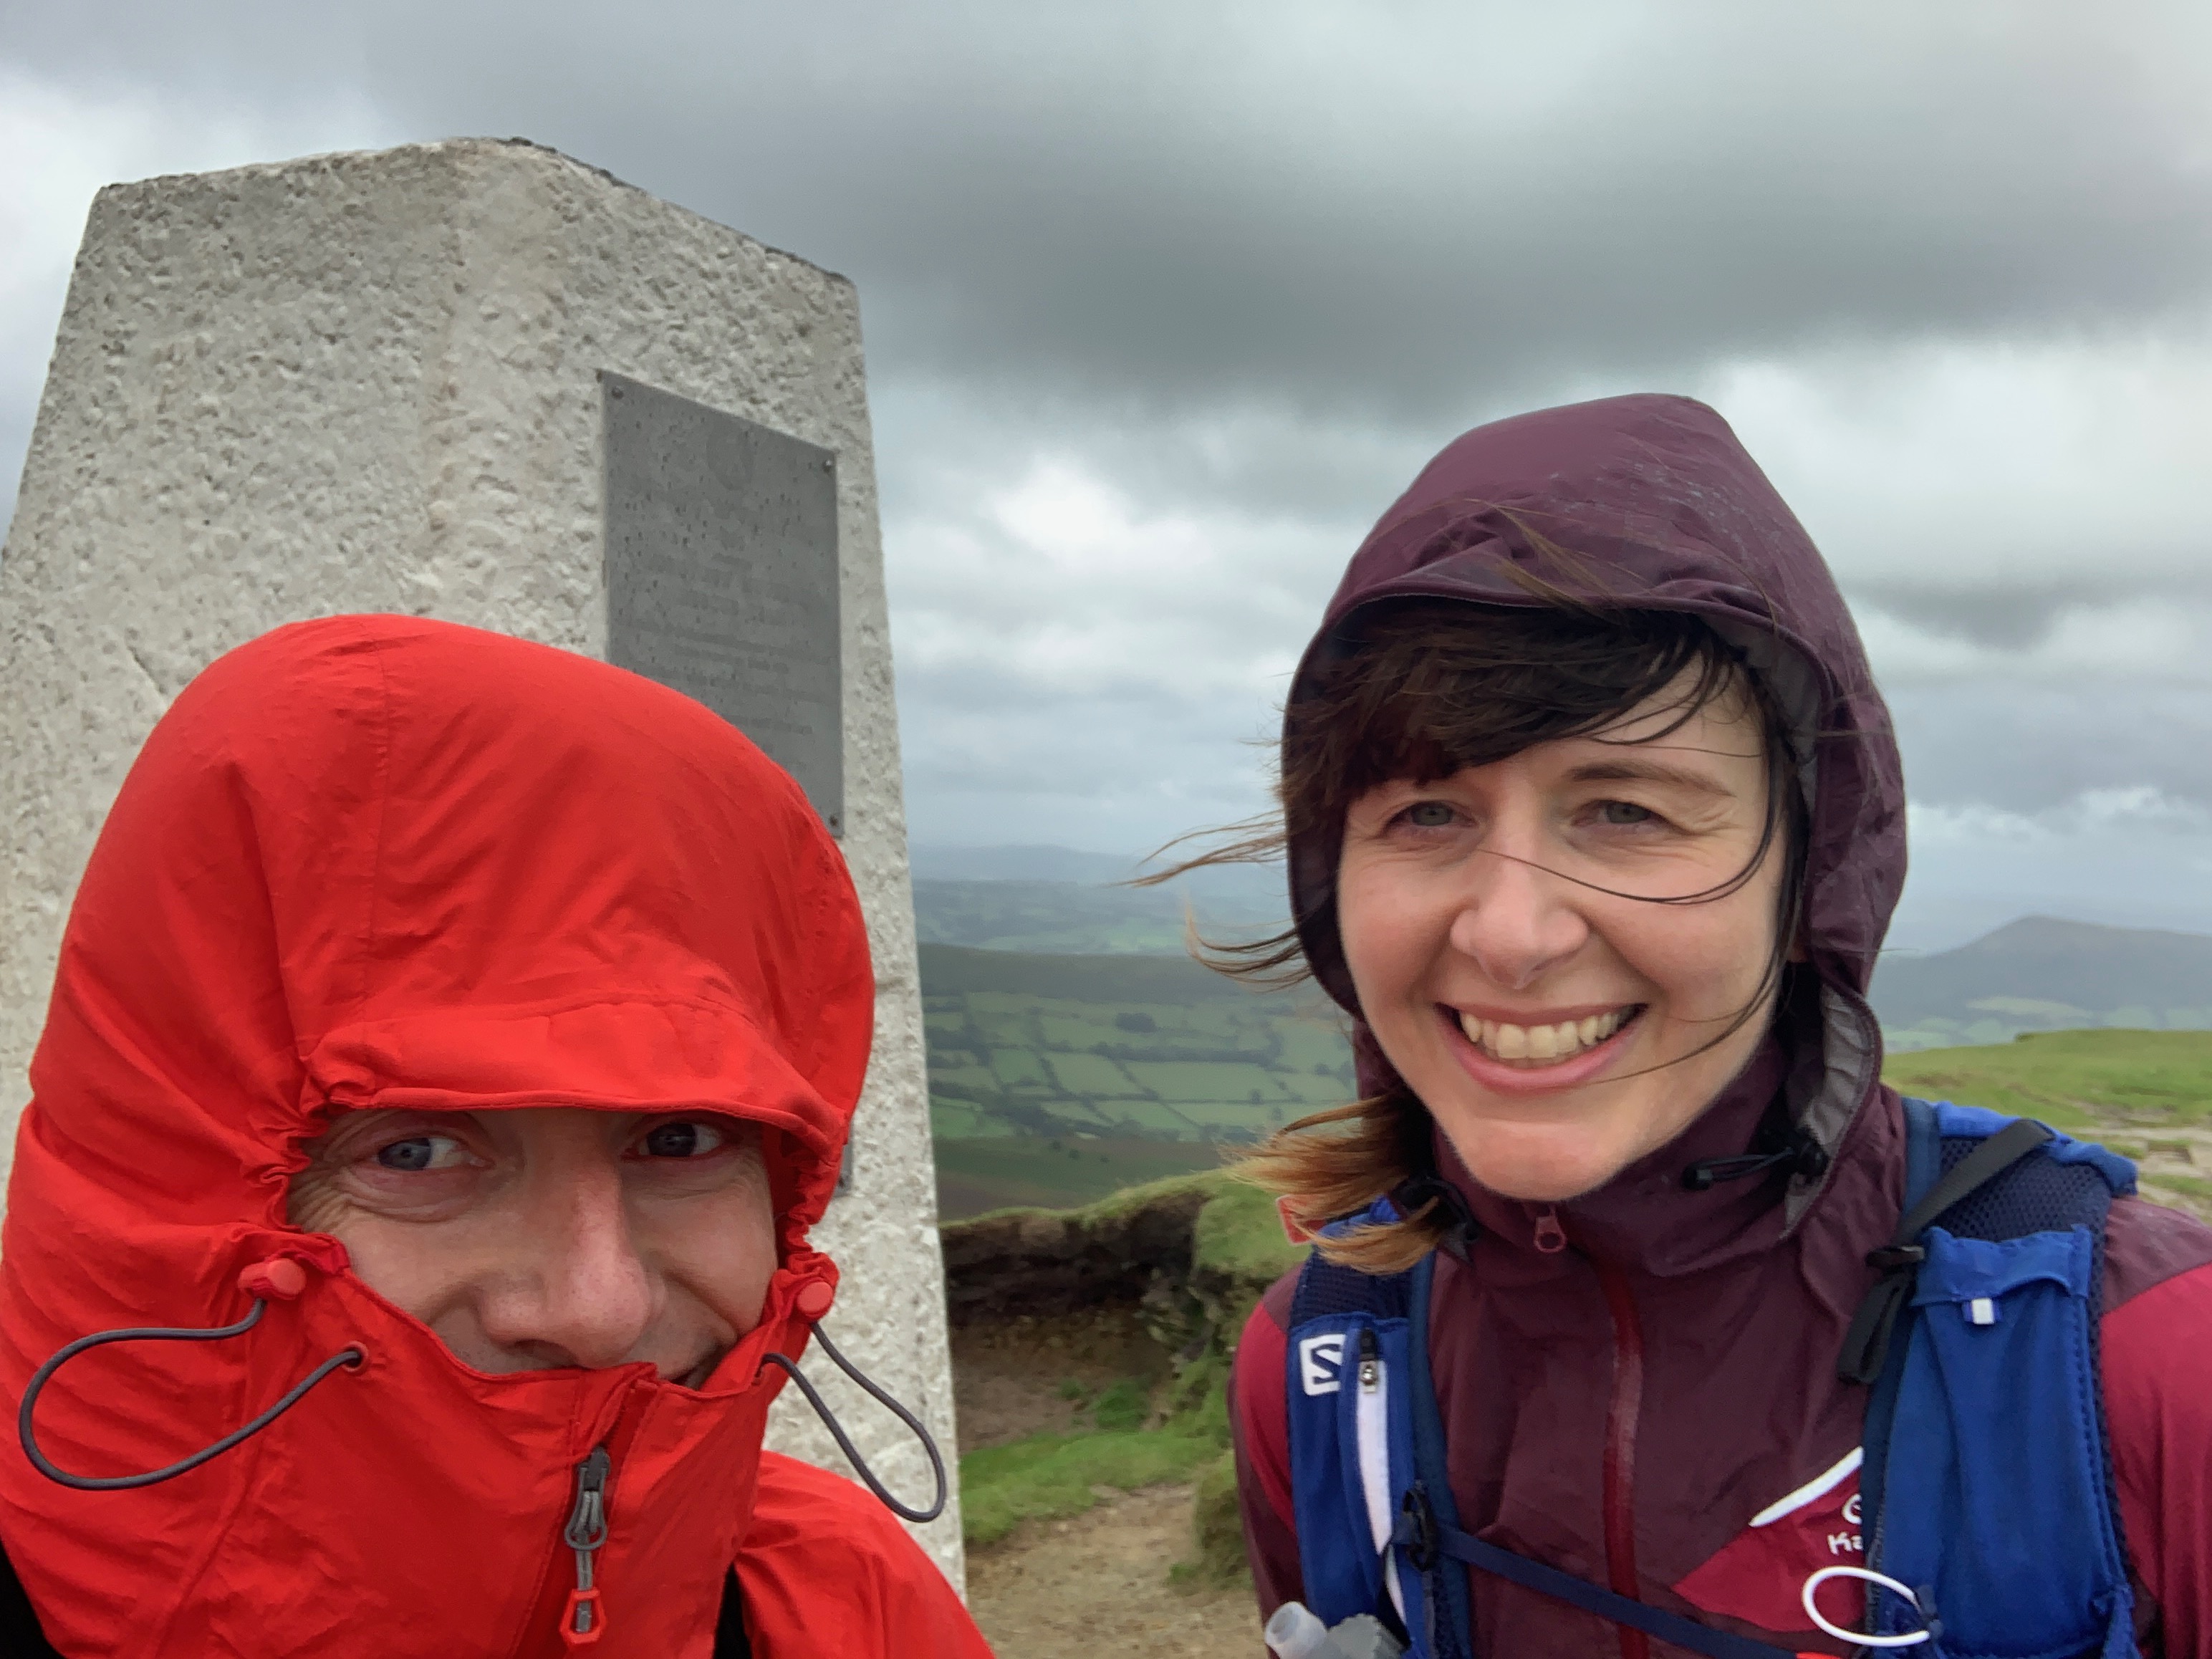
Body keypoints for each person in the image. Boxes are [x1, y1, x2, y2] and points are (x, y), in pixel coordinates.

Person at [1206, 395, 2212, 1657]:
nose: (1511, 935)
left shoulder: (2150, 1360)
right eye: (1425, 814)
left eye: (1626, 810)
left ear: (1808, 882)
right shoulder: (1317, 1366)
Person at [0, 617, 995, 1658]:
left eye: (682, 1139)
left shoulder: (847, 1604)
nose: (602, 1309)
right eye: (415, 1152)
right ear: (165, 1196)